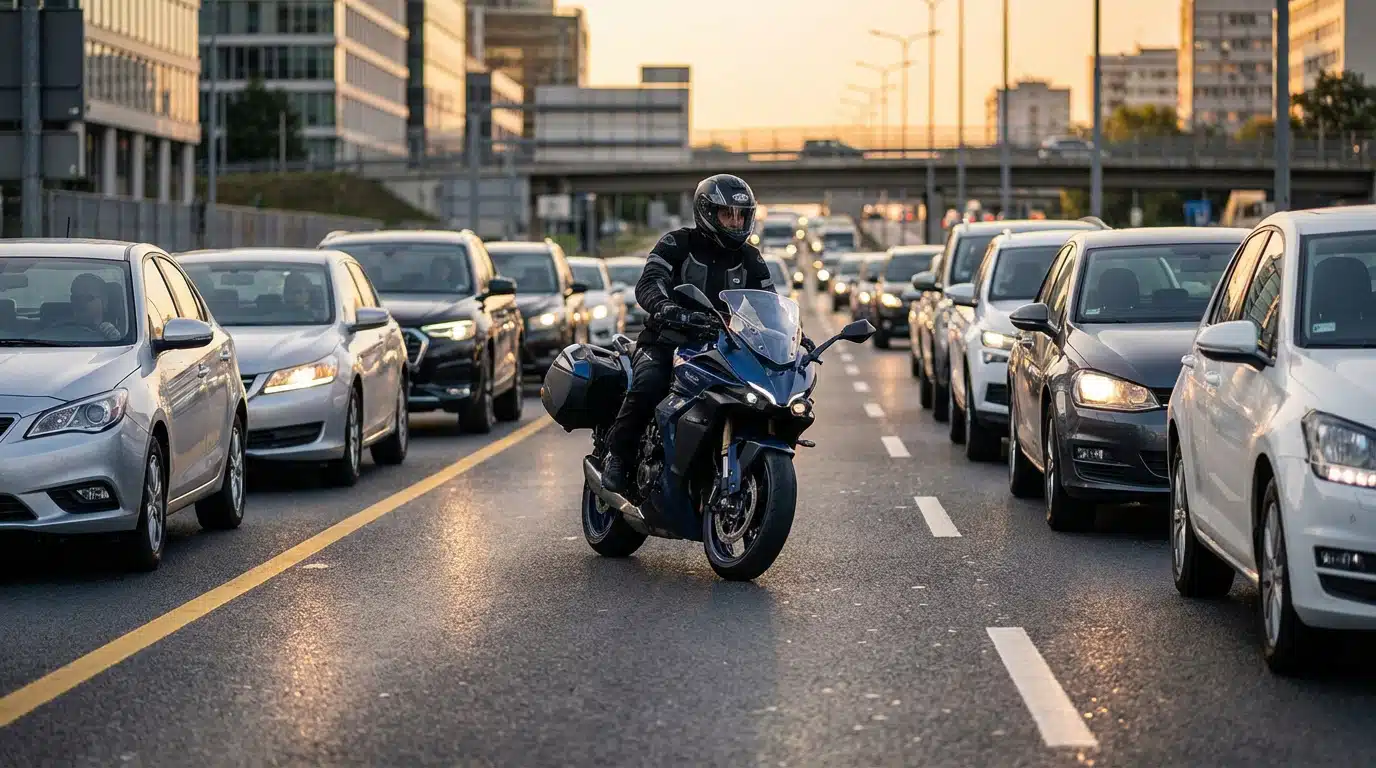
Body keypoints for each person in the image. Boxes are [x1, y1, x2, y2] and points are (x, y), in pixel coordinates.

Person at [602, 174, 811, 494]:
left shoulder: (750, 258)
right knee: (650, 383)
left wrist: (795, 336)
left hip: (723, 346)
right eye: (728, 213)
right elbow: (649, 282)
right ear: (707, 213)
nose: (735, 221)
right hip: (666, 340)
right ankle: (617, 454)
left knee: (756, 392)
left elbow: (771, 306)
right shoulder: (677, 244)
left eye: (741, 215)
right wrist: (667, 307)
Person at [69, 273, 122, 341]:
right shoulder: (58, 330)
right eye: (76, 298)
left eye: (88, 298)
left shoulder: (112, 334)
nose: (81, 303)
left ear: (104, 301)